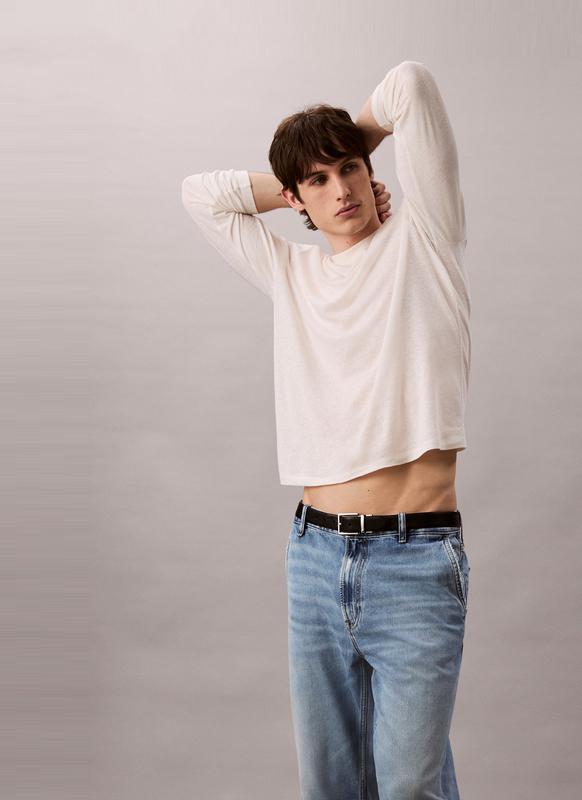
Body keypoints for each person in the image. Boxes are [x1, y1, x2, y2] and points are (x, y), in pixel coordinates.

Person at [181, 60, 471, 800]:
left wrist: (343, 142)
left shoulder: (427, 240)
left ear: (372, 171)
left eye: (350, 169)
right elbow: (200, 195)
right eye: (318, 180)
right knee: (329, 787)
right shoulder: (294, 276)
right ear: (296, 198)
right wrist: (295, 174)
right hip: (315, 559)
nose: (341, 189)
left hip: (415, 559)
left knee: (409, 787)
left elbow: (410, 84)